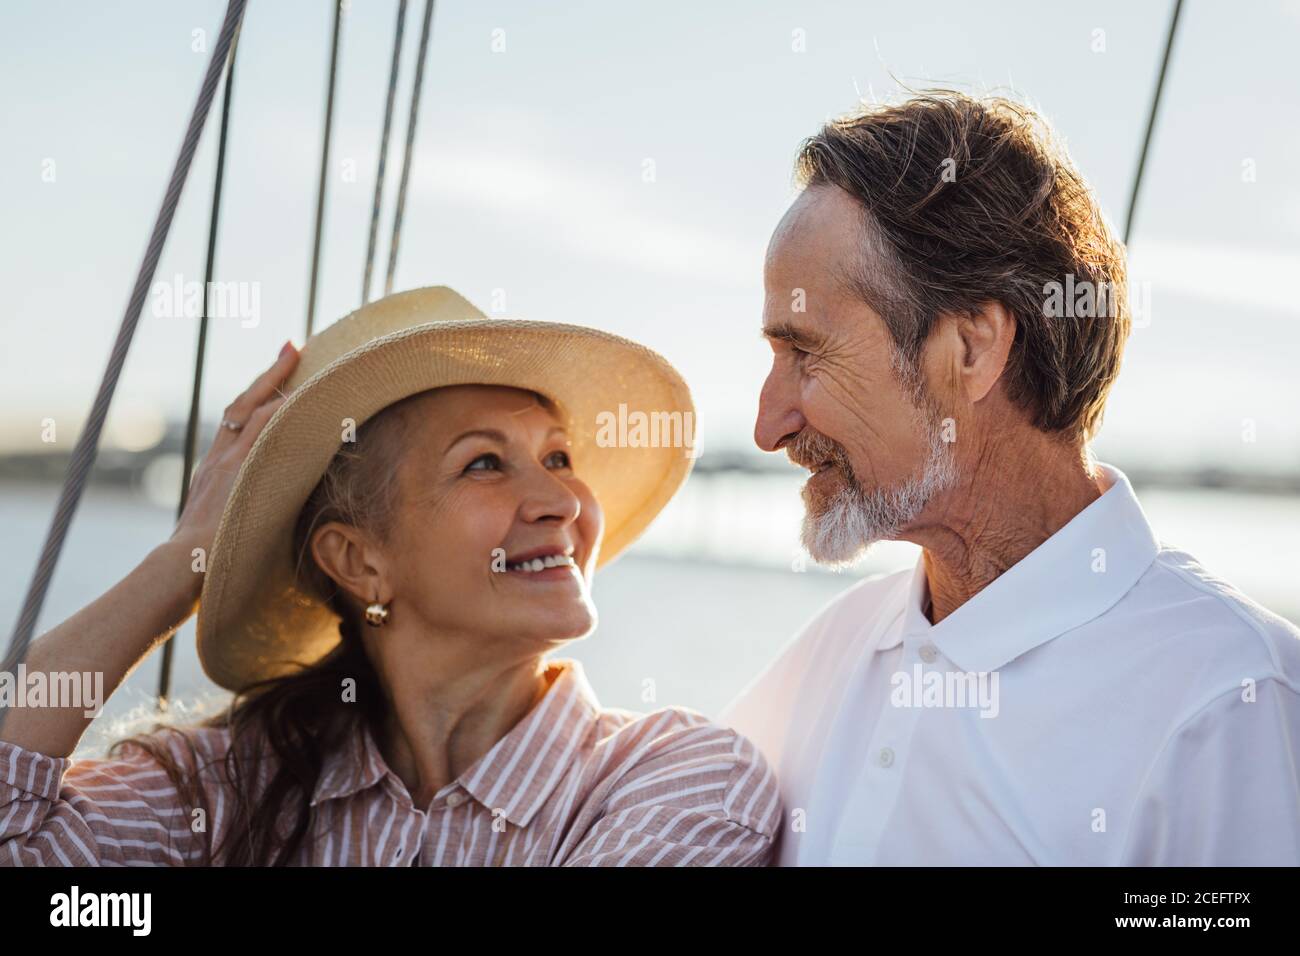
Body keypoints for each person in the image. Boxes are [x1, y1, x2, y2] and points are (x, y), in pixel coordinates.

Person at [1, 286, 780, 866]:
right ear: (358, 561)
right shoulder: (228, 789)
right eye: (484, 463)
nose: (560, 502)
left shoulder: (680, 780)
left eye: (558, 457)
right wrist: (184, 560)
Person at [719, 90, 1300, 865]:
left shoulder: (1231, 705)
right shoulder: (833, 652)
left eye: (807, 355)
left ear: (973, 347)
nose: (769, 424)